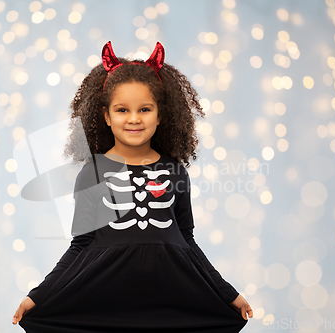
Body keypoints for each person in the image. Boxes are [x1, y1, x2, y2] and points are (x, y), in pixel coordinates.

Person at [13, 41, 253, 332]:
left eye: (145, 109)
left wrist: (228, 294)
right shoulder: (93, 173)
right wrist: (38, 296)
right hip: (104, 297)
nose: (134, 119)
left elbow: (187, 240)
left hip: (170, 298)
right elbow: (80, 245)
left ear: (160, 115)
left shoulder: (175, 172)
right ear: (106, 116)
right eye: (122, 110)